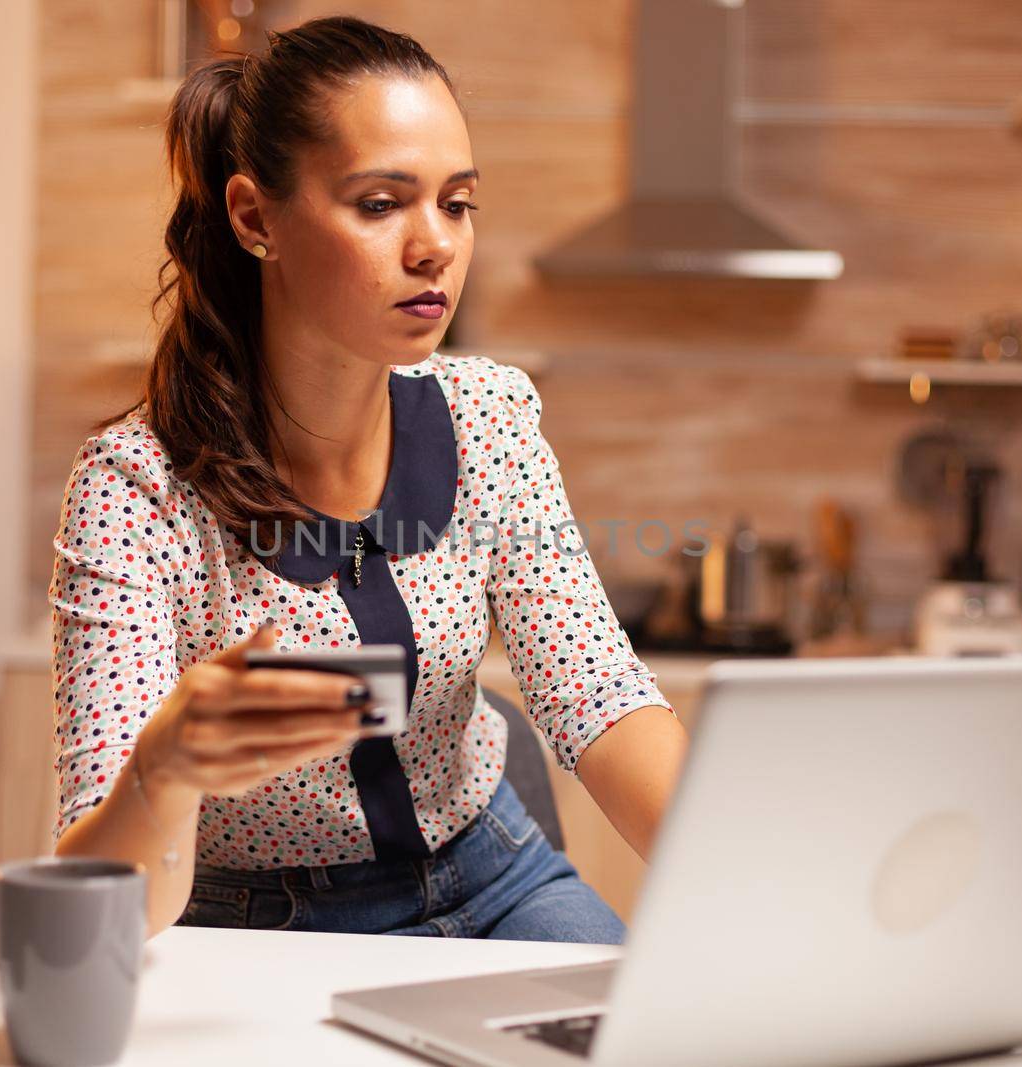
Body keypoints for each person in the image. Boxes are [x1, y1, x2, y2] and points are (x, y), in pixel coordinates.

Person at [49, 15, 688, 942]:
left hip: (498, 882)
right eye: (382, 203)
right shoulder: (135, 488)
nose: (435, 246)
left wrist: (751, 893)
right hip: (254, 926)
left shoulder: (489, 418)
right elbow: (98, 904)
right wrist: (165, 771)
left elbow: (597, 695)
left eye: (456, 203)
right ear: (254, 216)